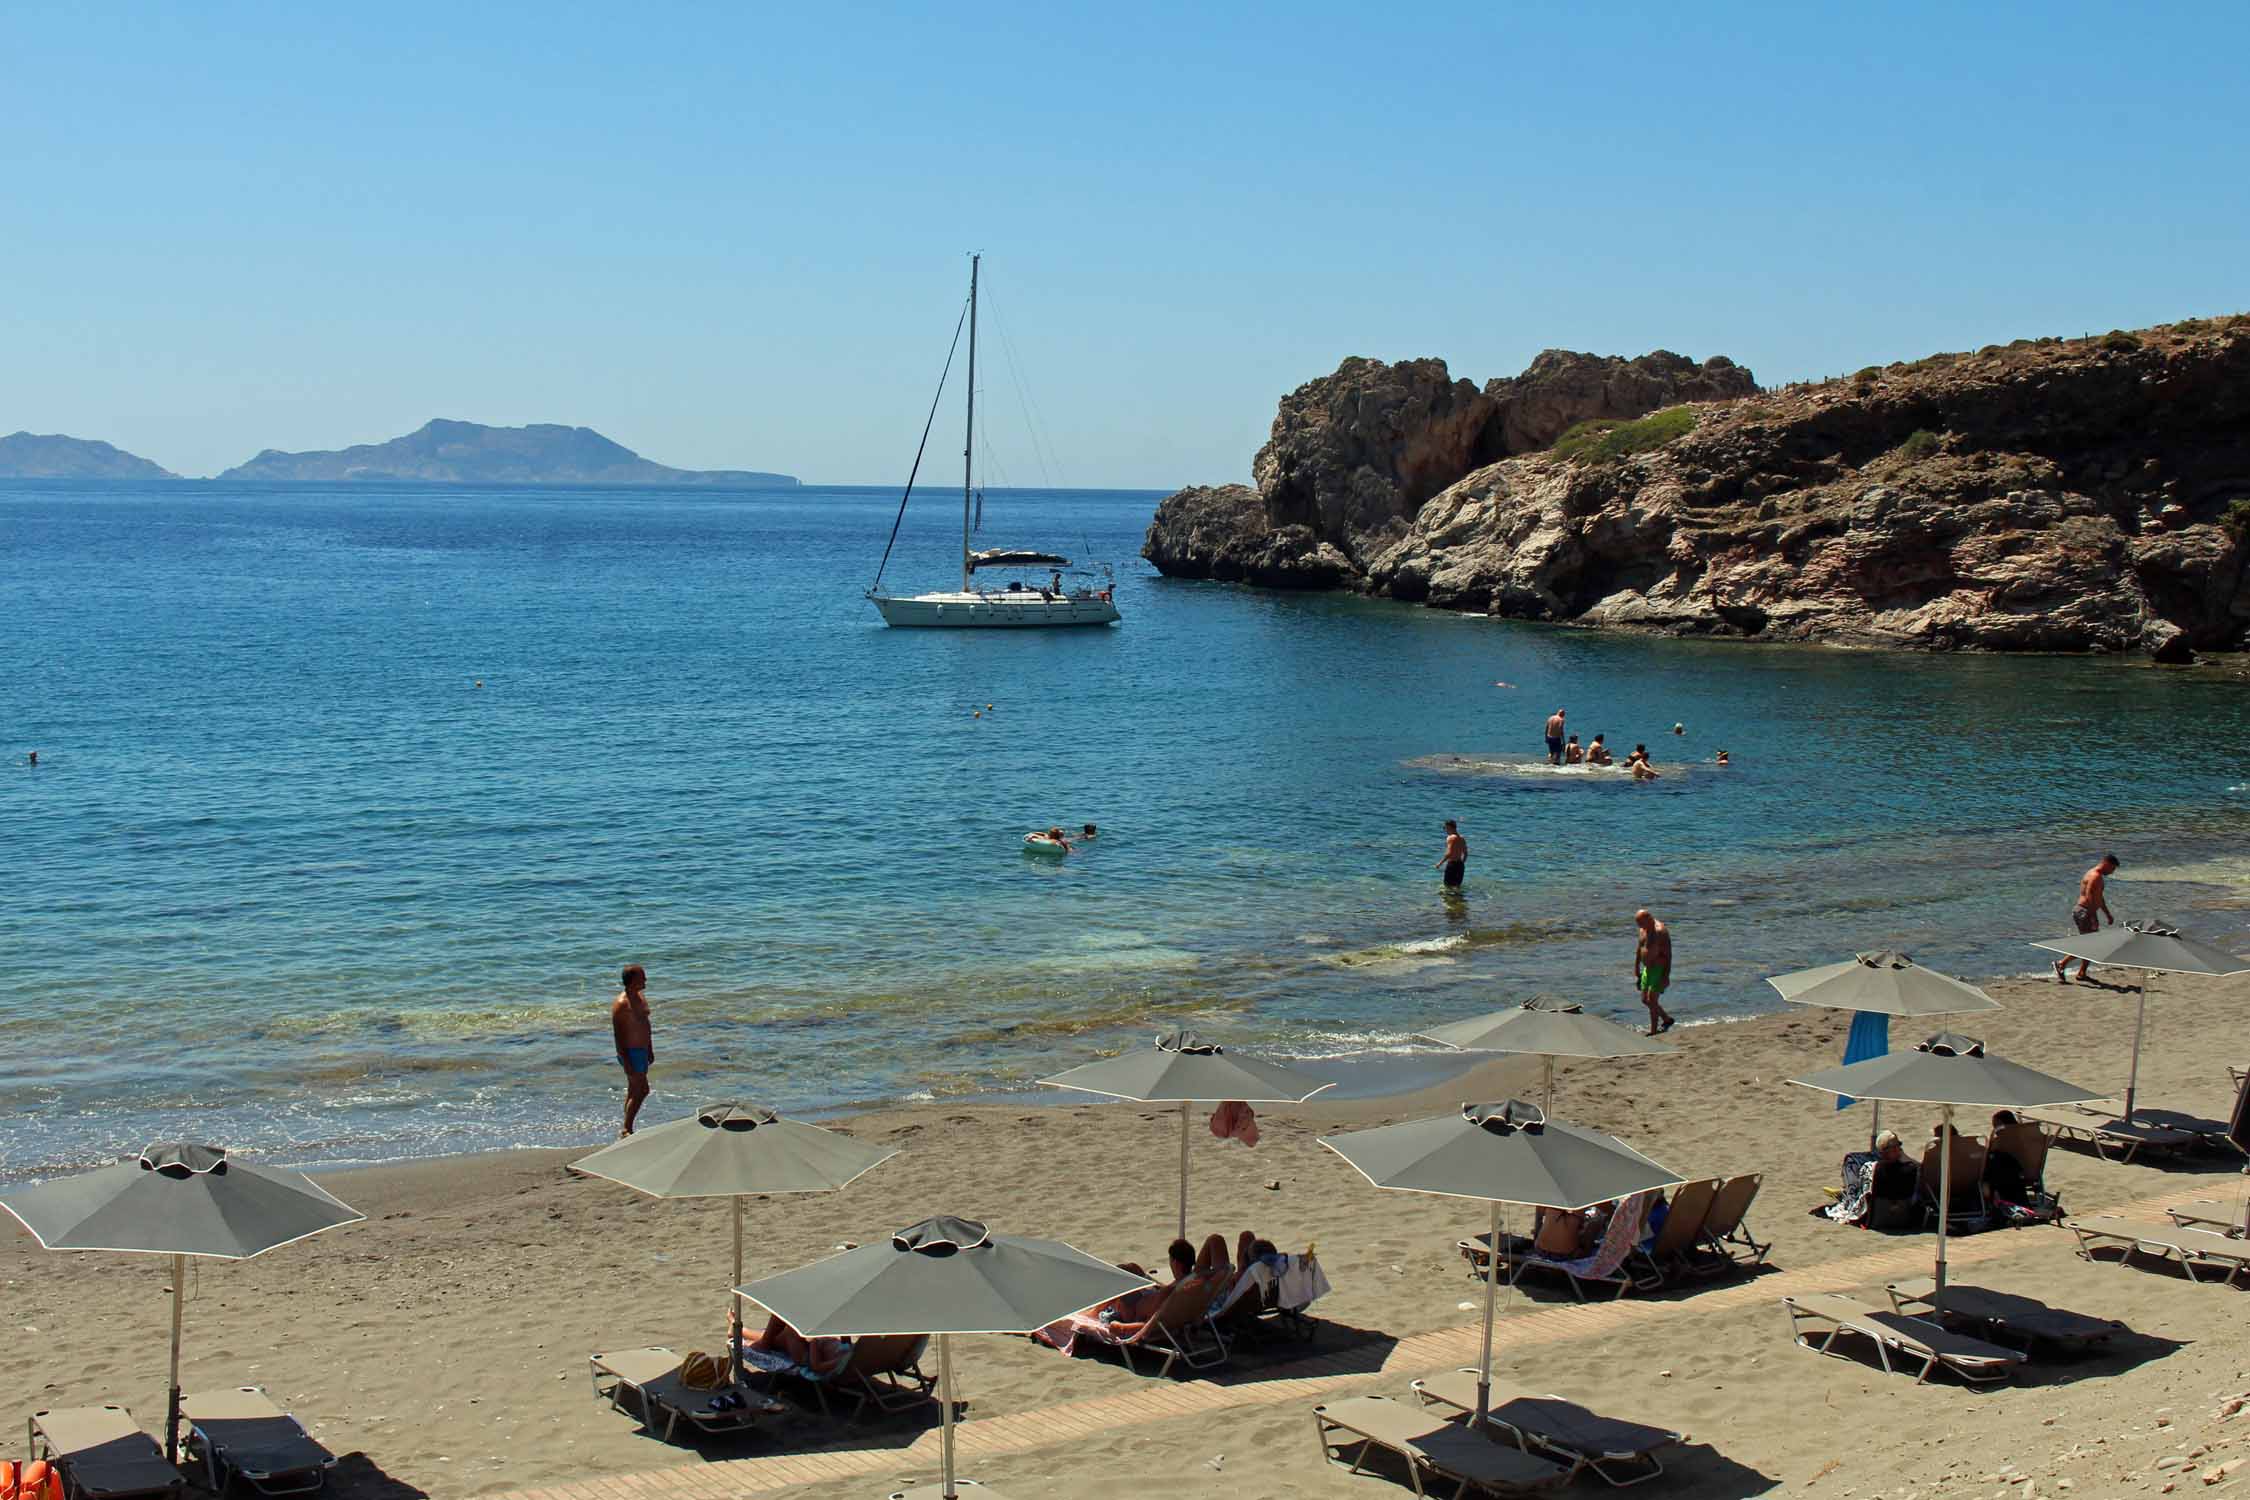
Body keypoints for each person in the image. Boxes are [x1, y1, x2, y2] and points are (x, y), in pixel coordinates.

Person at [2055, 854, 2119, 982]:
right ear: (2106, 863)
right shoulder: (2095, 876)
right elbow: (2090, 895)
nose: (2111, 873)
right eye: (2112, 869)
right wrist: (2092, 915)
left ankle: (2081, 973)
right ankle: (2061, 964)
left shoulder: (2096, 875)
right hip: (2085, 912)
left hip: (2085, 911)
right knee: (2089, 944)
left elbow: (2099, 898)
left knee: (2090, 944)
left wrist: (2107, 914)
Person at [611, 964, 653, 1136]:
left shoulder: (640, 997)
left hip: (642, 1051)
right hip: (630, 1052)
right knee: (642, 1090)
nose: (646, 980)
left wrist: (650, 1048)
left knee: (633, 1090)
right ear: (633, 980)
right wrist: (625, 1060)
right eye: (642, 977)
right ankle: (626, 1128)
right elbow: (618, 1035)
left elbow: (645, 1024)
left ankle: (627, 1126)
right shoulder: (622, 1004)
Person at [1633, 910, 1677, 1034]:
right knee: (1644, 1000)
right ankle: (1667, 1019)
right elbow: (1639, 948)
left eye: (1641, 923)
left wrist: (1666, 976)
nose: (1639, 926)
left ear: (1649, 918)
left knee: (1652, 999)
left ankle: (1653, 1031)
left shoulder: (1661, 932)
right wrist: (1636, 966)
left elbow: (1668, 956)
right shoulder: (1643, 929)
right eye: (1637, 923)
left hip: (1659, 969)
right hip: (1647, 968)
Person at [1435, 819, 1468, 890]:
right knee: (1457, 887)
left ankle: (1449, 900)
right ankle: (1457, 900)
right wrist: (1461, 863)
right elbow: (1465, 853)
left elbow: (1449, 853)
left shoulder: (1451, 838)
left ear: (1449, 827)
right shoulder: (1462, 838)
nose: (1445, 830)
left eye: (1445, 828)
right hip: (1460, 865)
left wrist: (1440, 863)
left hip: (1452, 865)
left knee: (1447, 887)